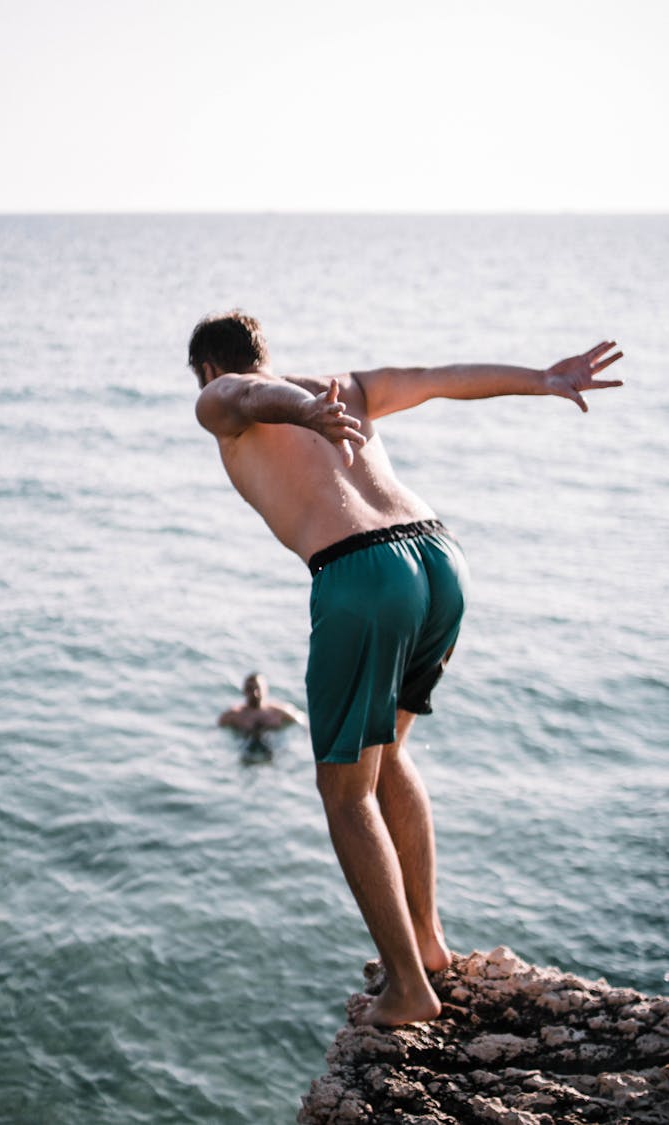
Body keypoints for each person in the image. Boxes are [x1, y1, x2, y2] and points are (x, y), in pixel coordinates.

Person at [189, 310, 623, 1027]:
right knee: (390, 756)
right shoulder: (346, 387)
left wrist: (300, 411)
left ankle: (407, 989)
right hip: (439, 558)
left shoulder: (225, 395)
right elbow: (440, 379)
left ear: (208, 367)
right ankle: (428, 944)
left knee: (345, 790)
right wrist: (542, 379)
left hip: (361, 572)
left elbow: (239, 398)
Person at [218, 672, 307, 735]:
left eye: (258, 688)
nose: (254, 693)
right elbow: (217, 730)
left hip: (273, 747)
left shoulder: (279, 711)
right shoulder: (234, 715)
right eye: (250, 689)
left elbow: (303, 720)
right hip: (246, 745)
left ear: (265, 689)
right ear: (244, 691)